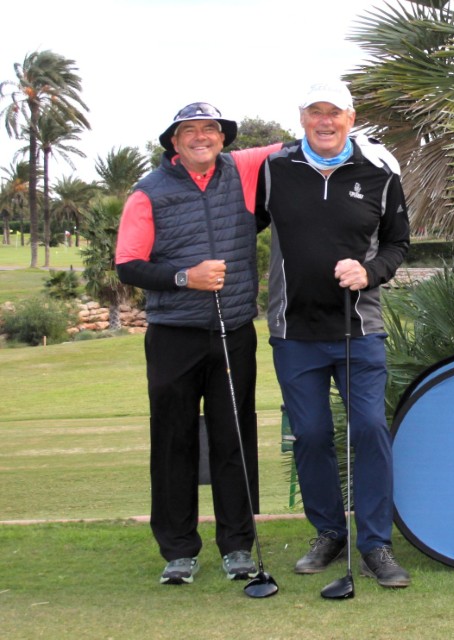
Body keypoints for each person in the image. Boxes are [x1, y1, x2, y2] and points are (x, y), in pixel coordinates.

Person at [115, 102, 281, 585]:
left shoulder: (243, 168)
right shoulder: (147, 192)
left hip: (233, 332)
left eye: (210, 129)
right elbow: (128, 264)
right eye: (190, 130)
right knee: (174, 441)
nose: (201, 137)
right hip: (173, 335)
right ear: (174, 141)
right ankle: (179, 550)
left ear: (223, 138)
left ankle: (237, 546)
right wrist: (185, 277)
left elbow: (303, 144)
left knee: (234, 438)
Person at [255, 81, 411, 588]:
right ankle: (328, 532)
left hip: (358, 327)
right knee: (312, 435)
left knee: (369, 429)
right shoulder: (274, 170)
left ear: (351, 117)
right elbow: (236, 218)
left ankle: (376, 544)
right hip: (293, 330)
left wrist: (370, 271)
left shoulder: (380, 172)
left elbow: (398, 242)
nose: (325, 121)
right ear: (302, 117)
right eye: (315, 112)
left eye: (334, 113)